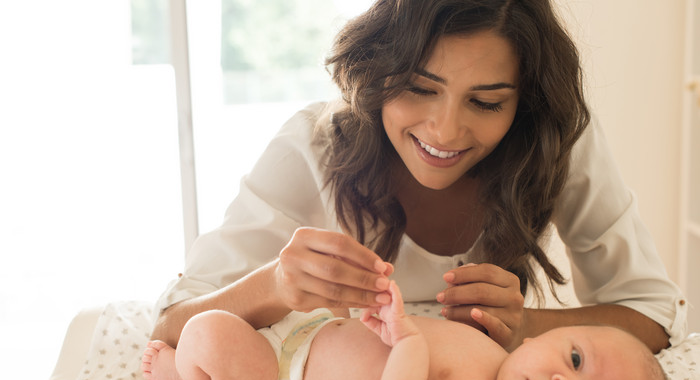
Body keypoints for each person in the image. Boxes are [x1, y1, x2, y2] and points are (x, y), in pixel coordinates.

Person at [151, 0, 687, 353]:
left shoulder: (554, 142)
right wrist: (274, 285)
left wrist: (525, 328)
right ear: (377, 70)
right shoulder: (314, 144)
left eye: (485, 102)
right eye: (419, 88)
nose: (446, 130)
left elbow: (652, 316)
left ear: (524, 106)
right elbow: (173, 324)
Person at [142, 281, 670, 380]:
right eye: (574, 361)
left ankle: (185, 377)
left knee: (210, 332)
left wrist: (409, 341)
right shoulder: (492, 350)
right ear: (535, 336)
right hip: (318, 334)